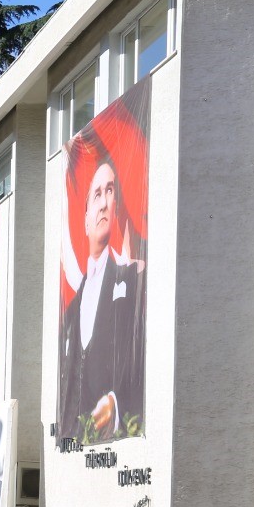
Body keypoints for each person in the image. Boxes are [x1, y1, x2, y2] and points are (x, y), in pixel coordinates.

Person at [58, 158, 146, 440]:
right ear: (85, 220)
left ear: (116, 206)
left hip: (117, 440)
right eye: (97, 194)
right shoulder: (71, 311)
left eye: (110, 191)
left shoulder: (132, 281)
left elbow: (141, 360)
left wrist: (116, 404)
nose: (104, 202)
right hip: (78, 445)